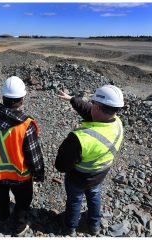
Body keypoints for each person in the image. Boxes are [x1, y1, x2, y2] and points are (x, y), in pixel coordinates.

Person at [55, 85, 124, 236]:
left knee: (75, 200)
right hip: (99, 176)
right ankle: (94, 226)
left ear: (98, 107)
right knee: (94, 196)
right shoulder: (117, 123)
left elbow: (61, 166)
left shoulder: (79, 139)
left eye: (93, 104)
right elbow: (89, 111)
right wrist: (72, 99)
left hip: (78, 178)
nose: (90, 106)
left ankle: (70, 227)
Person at [0, 76, 45, 236]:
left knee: (1, 194)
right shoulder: (25, 125)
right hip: (20, 176)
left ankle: (3, 216)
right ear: (22, 98)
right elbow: (33, 155)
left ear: (3, 96)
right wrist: (38, 173)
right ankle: (19, 226)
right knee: (23, 201)